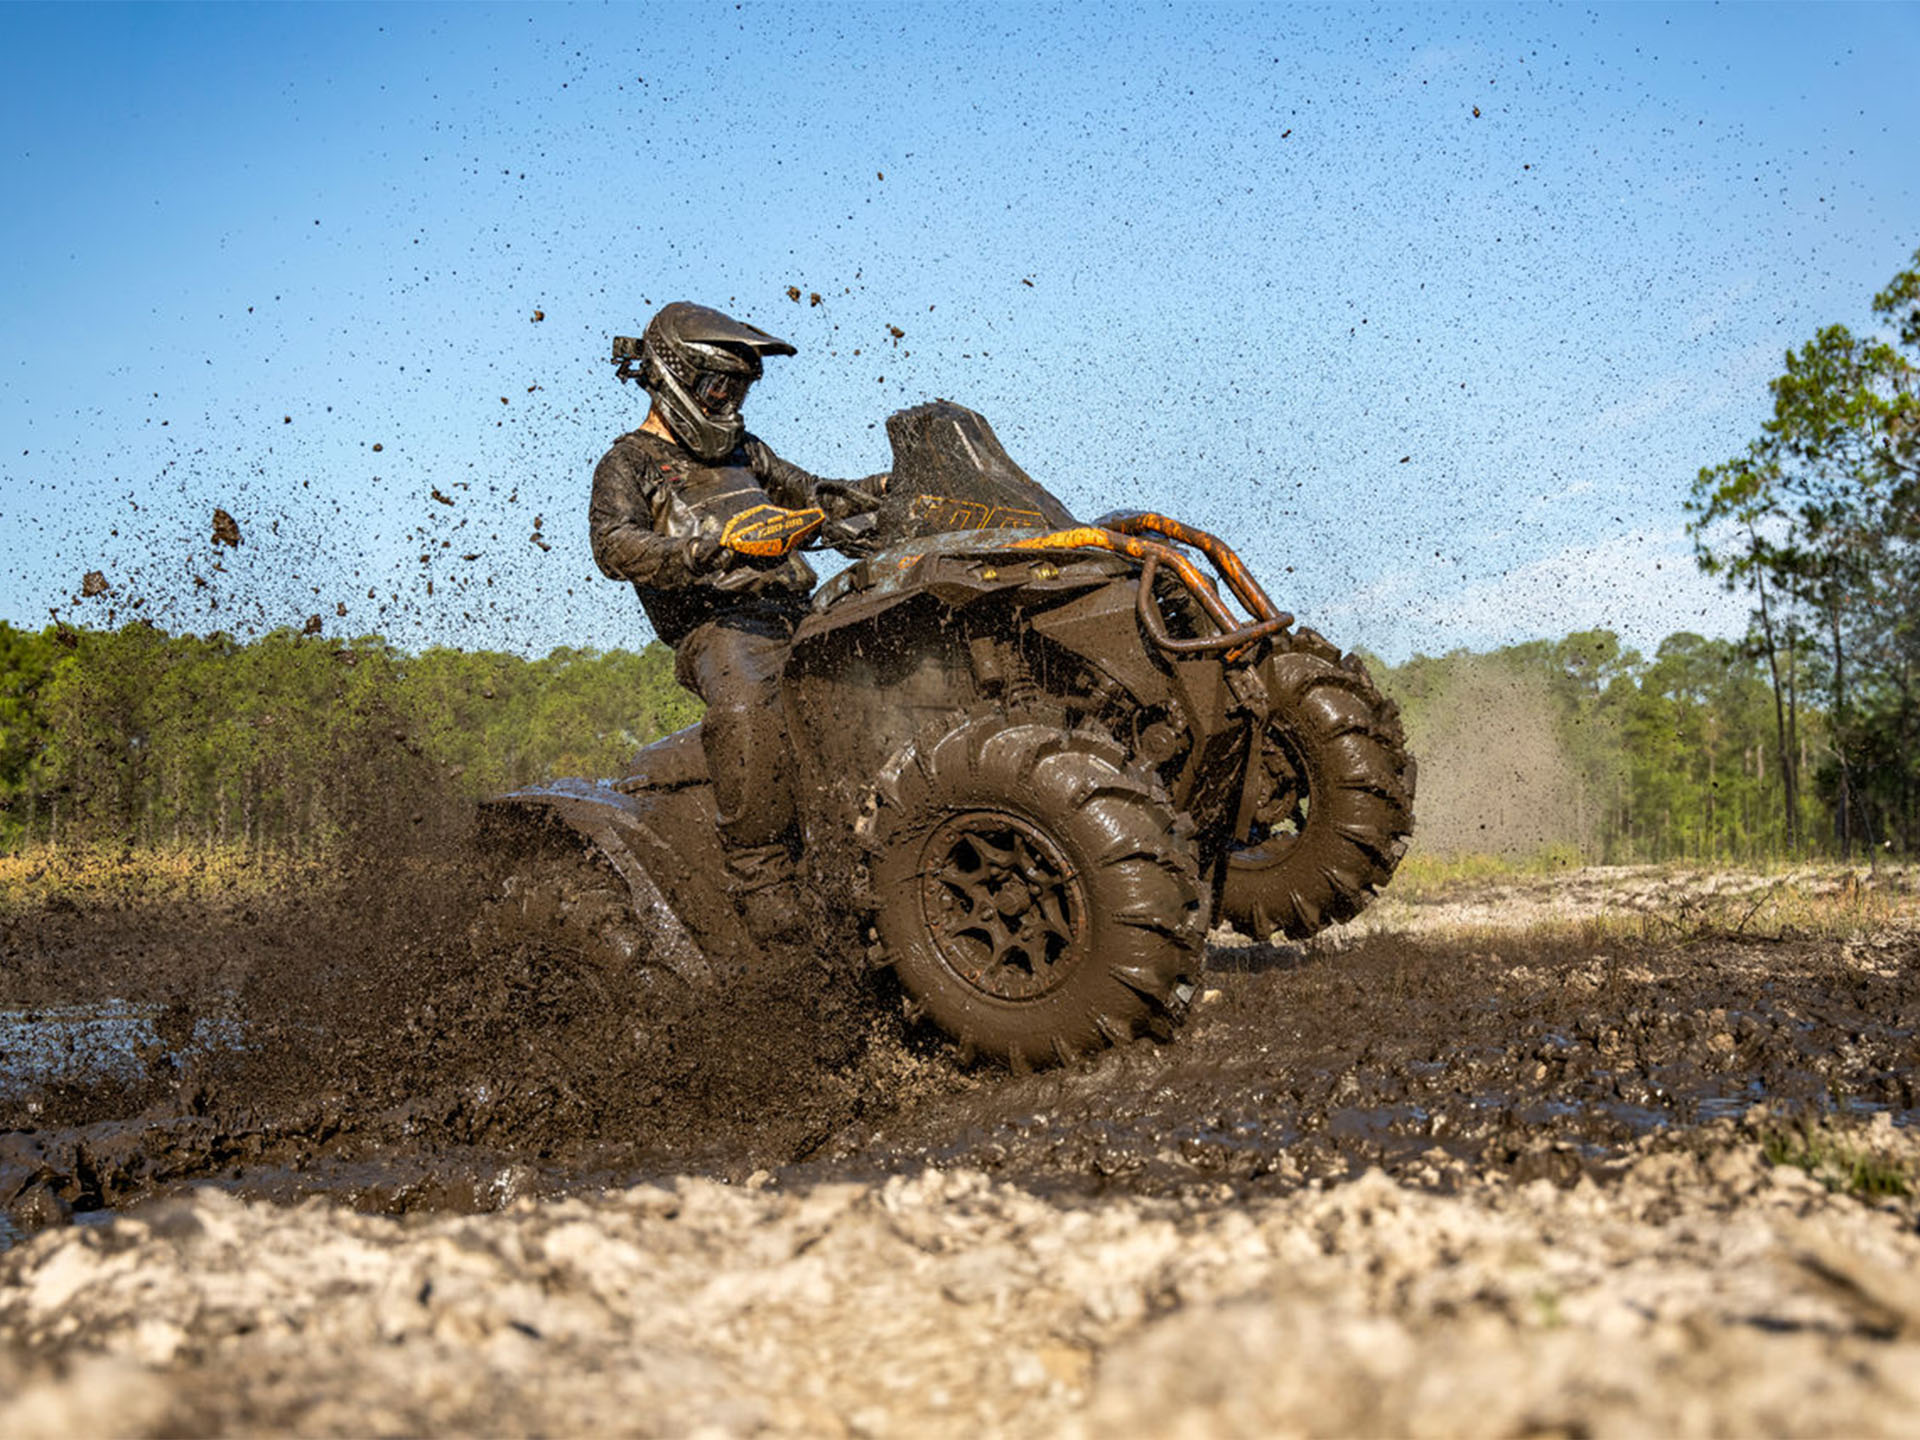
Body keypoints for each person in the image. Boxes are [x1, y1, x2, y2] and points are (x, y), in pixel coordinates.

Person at [589, 301, 885, 941]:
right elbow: (614, 546)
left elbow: (818, 497)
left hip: (798, 612)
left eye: (741, 387)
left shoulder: (748, 453)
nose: (729, 400)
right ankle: (762, 877)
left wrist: (883, 492)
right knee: (749, 702)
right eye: (719, 385)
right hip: (719, 626)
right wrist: (711, 547)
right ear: (675, 376)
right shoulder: (630, 463)